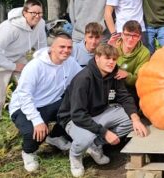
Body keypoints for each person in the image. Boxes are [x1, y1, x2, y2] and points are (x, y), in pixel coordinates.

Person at [58, 43, 148, 177]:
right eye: (107, 58)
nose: (111, 62)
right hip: (74, 119)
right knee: (85, 138)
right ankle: (75, 156)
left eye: (114, 59)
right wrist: (104, 132)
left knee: (132, 120)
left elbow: (125, 97)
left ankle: (95, 145)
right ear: (97, 58)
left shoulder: (113, 74)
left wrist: (135, 119)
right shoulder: (83, 79)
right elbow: (77, 114)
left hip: (99, 112)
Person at [0, 0, 47, 164]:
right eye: (33, 13)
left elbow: (42, 47)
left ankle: (37, 132)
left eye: (40, 13)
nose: (37, 16)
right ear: (25, 13)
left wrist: (43, 65)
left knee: (36, 91)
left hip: (16, 58)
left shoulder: (40, 24)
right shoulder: (10, 27)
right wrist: (15, 66)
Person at [8, 32, 82, 172]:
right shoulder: (35, 66)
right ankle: (29, 152)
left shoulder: (70, 62)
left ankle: (55, 136)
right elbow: (25, 96)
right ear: (52, 47)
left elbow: (83, 78)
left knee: (78, 108)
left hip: (52, 103)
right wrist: (37, 121)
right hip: (25, 107)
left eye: (69, 47)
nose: (66, 50)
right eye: (62, 46)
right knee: (33, 133)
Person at [114, 20, 150, 108]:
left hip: (129, 87)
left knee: (131, 102)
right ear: (122, 34)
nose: (130, 39)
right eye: (127, 35)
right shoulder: (113, 46)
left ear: (139, 37)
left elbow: (140, 78)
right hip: (111, 84)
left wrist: (127, 75)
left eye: (134, 36)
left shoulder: (144, 53)